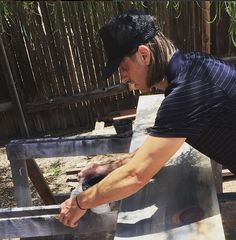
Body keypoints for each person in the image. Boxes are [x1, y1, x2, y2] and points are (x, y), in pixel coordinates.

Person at [59, 9, 236, 228]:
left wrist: (79, 203)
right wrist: (110, 167)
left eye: (124, 68)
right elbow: (152, 152)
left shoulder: (186, 94)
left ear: (144, 54)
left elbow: (136, 176)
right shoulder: (195, 64)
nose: (123, 78)